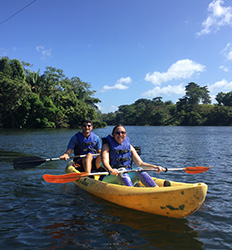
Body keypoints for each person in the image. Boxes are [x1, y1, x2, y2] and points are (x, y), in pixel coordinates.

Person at [101, 124, 165, 187]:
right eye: (117, 133)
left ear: (125, 134)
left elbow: (140, 163)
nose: (120, 135)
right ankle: (132, 190)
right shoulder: (106, 146)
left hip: (126, 174)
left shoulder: (129, 147)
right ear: (113, 134)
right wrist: (111, 169)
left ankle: (155, 188)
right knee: (122, 171)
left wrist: (155, 167)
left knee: (139, 170)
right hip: (111, 175)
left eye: (123, 132)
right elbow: (105, 161)